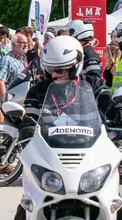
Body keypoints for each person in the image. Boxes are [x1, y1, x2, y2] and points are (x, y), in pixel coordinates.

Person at [14, 35, 122, 219]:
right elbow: (30, 117)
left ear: (76, 66)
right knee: (27, 207)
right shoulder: (39, 89)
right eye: (50, 69)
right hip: (50, 154)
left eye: (61, 70)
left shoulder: (92, 84)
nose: (54, 74)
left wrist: (118, 117)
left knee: (115, 201)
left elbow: (108, 104)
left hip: (91, 151)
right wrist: (26, 129)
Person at [0, 34, 28, 103]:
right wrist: (5, 102)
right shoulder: (7, 60)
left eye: (26, 42)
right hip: (12, 102)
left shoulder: (23, 58)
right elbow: (0, 81)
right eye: (22, 43)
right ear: (13, 44)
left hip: (22, 100)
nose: (26, 45)